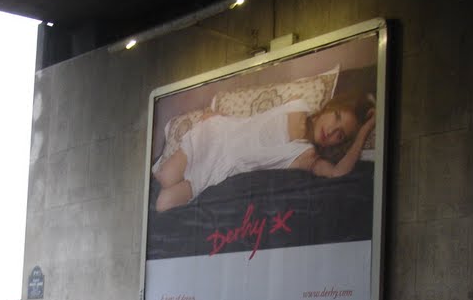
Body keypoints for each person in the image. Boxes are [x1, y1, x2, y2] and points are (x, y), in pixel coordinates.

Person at [153, 91, 377, 213]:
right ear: (329, 108)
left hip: (222, 167)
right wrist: (218, 119)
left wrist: (364, 132)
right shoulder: (297, 103)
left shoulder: (307, 157)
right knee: (164, 177)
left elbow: (339, 173)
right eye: (336, 118)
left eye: (340, 134)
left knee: (162, 204)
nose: (331, 130)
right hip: (216, 134)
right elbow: (253, 123)